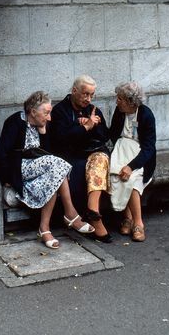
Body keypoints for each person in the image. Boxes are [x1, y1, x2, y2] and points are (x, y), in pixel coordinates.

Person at [0, 91, 94, 249]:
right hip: (20, 170)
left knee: (53, 179)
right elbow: (0, 155)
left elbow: (48, 153)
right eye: (46, 113)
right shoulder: (15, 122)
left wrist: (43, 131)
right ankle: (71, 214)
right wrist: (7, 180)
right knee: (57, 165)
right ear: (33, 112)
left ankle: (44, 229)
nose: (49, 118)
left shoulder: (43, 125)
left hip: (41, 170)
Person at [50, 76, 112, 243]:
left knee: (99, 160)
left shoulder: (93, 110)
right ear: (74, 91)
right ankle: (95, 218)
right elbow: (60, 140)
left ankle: (93, 211)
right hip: (70, 156)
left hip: (93, 153)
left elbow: (105, 137)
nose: (88, 99)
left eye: (92, 95)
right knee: (90, 166)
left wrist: (95, 125)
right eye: (85, 94)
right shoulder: (59, 111)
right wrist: (83, 127)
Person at [109, 82, 156, 242]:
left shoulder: (146, 115)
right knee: (117, 174)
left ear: (131, 102)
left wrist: (131, 166)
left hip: (141, 158)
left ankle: (138, 223)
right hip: (121, 152)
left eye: (120, 99)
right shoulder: (120, 112)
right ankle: (127, 218)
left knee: (132, 179)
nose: (117, 101)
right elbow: (112, 134)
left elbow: (149, 148)